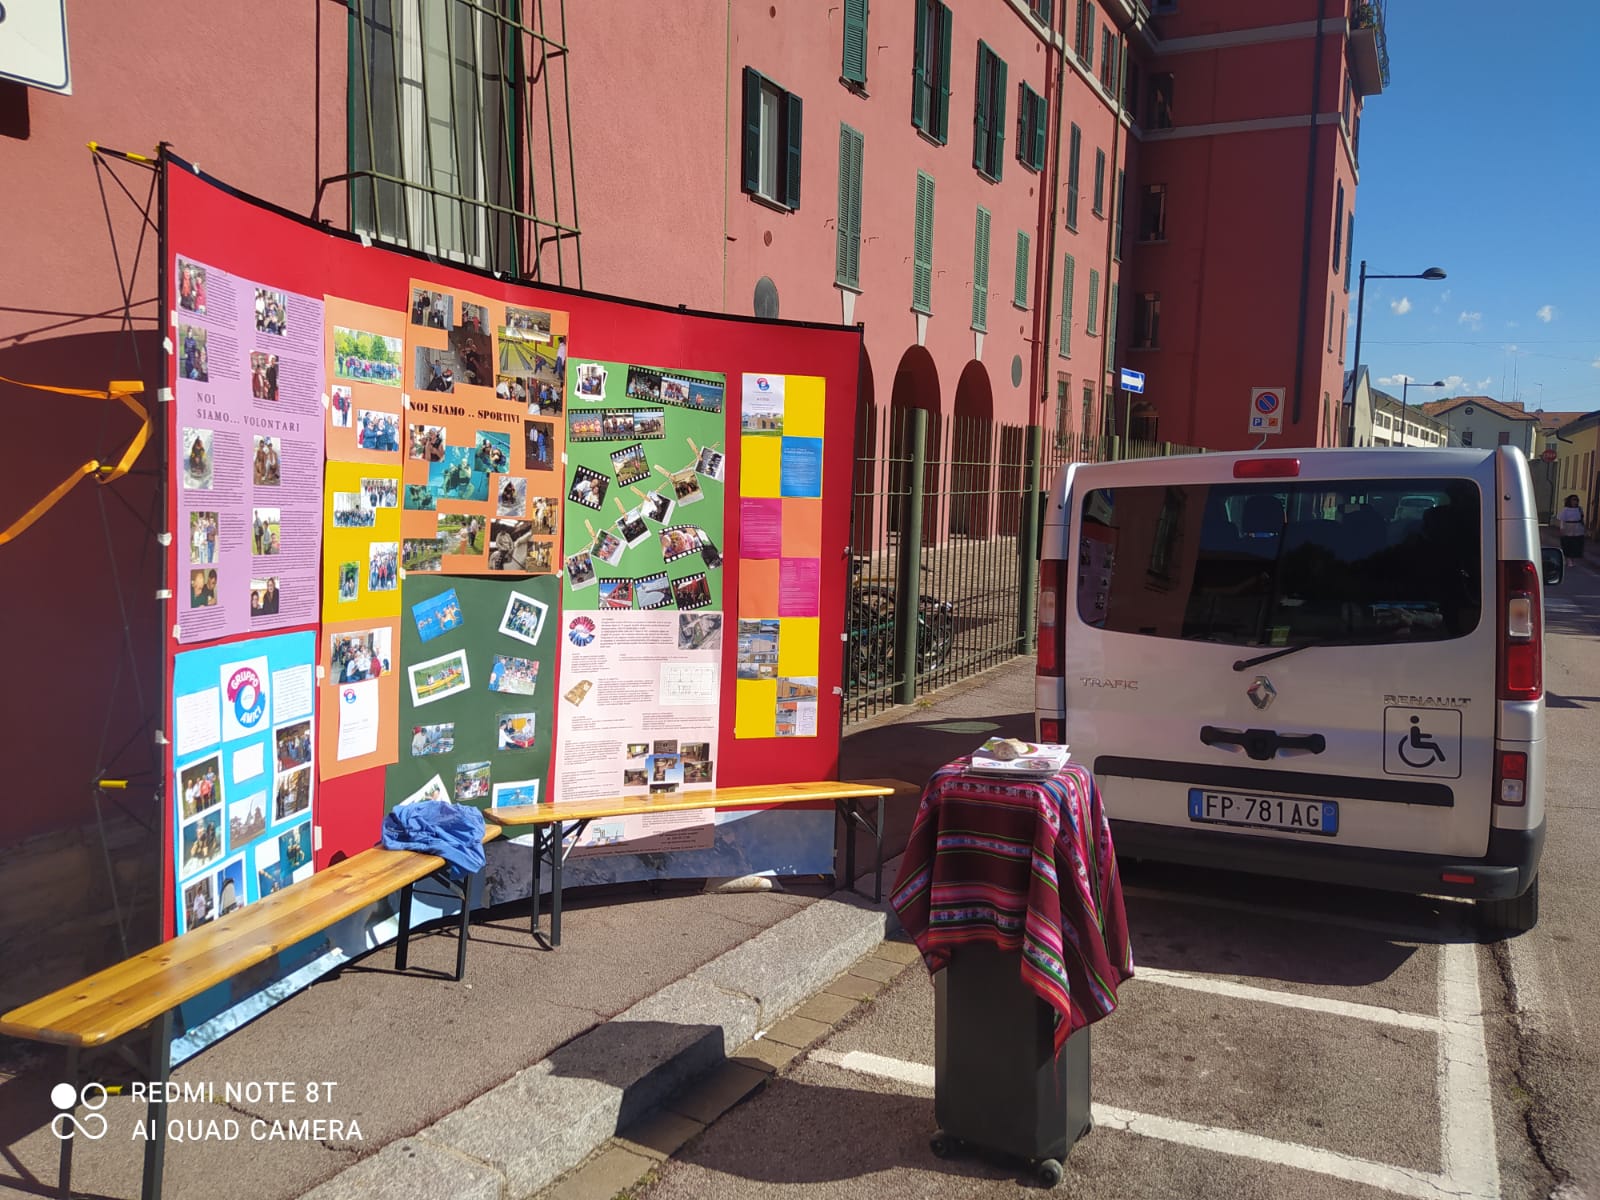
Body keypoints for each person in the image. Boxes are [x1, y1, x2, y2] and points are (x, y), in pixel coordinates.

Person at [1559, 494, 1586, 562]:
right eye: (1573, 500)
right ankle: (1568, 559)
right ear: (1570, 501)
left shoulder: (1579, 509)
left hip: (1578, 529)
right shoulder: (1566, 510)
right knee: (1568, 544)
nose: (1575, 502)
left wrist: (1583, 528)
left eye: (1576, 500)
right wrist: (1562, 528)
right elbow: (1562, 520)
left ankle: (1572, 558)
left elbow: (1582, 519)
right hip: (1568, 528)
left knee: (1575, 544)